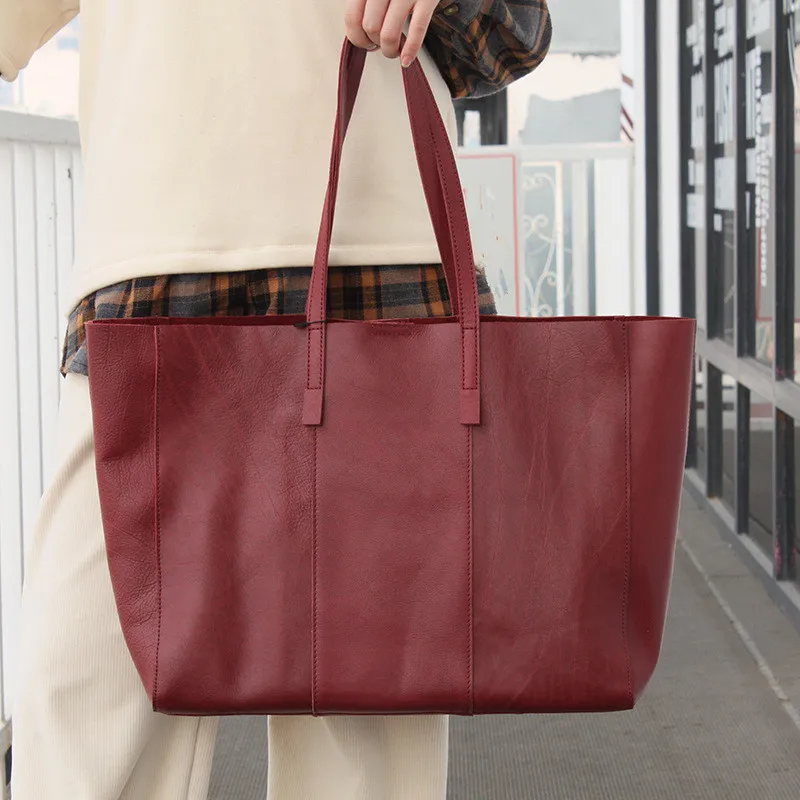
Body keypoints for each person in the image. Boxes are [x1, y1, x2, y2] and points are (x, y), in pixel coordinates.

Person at [1, 0, 551, 797]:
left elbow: (515, 33)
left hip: (376, 265)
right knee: (80, 711)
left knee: (361, 749)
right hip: (154, 268)